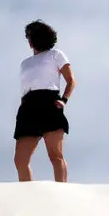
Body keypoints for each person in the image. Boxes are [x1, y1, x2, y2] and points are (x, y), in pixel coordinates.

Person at [14, 19, 75, 182]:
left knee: (55, 154)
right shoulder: (25, 63)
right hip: (28, 107)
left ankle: (61, 191)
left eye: (30, 36)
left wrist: (64, 100)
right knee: (20, 160)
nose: (29, 40)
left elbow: (71, 80)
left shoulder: (56, 55)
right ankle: (26, 194)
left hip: (50, 103)